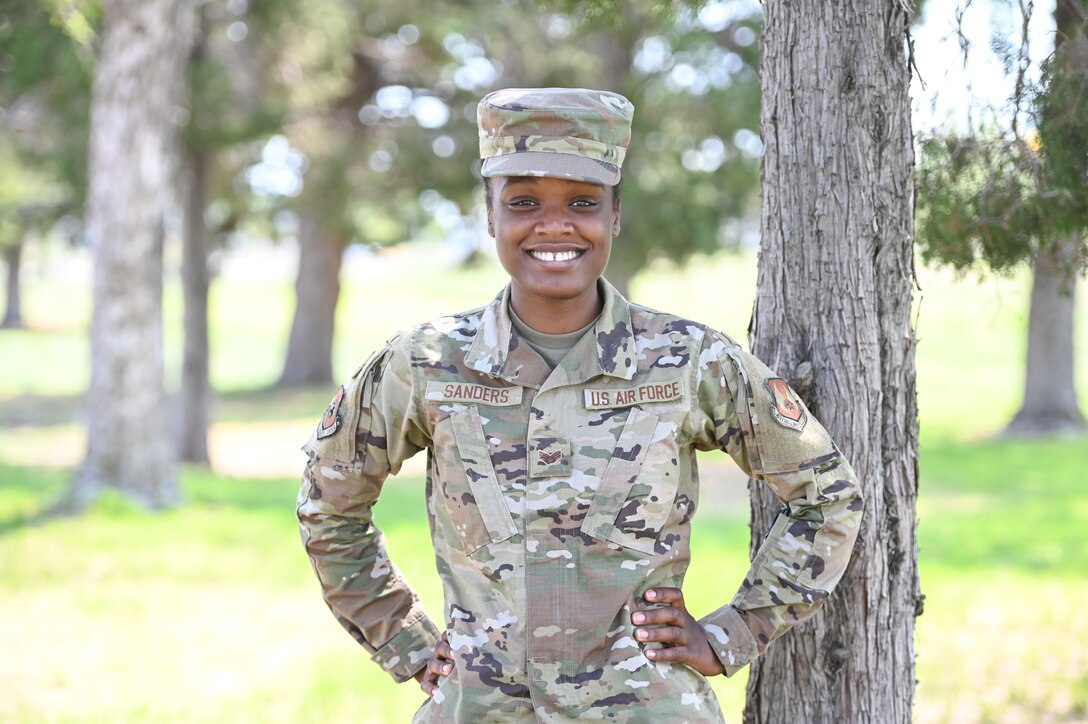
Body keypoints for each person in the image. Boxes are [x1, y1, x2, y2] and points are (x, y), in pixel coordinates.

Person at [296, 87, 863, 723]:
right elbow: (329, 504)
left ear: (615, 216)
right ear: (490, 216)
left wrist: (731, 632)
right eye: (523, 203)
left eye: (583, 203)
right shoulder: (427, 362)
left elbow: (827, 495)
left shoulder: (686, 359)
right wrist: (405, 641)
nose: (555, 226)